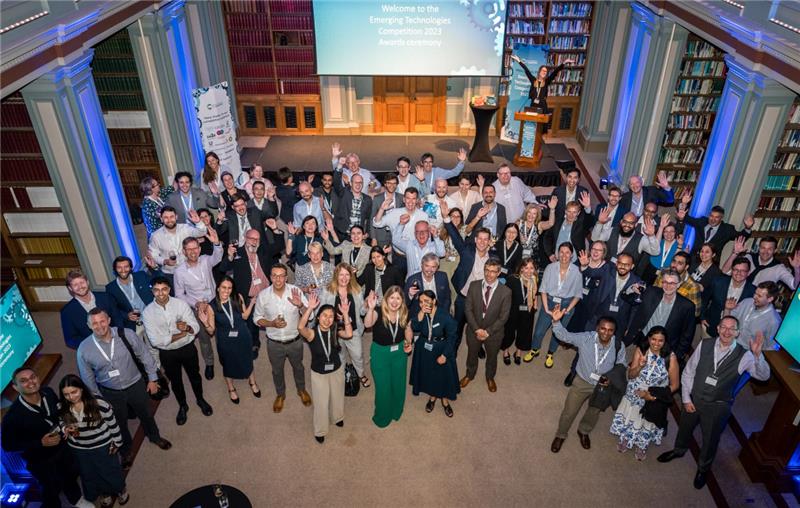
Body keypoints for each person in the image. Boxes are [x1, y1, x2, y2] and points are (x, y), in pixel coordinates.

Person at [657, 316, 771, 489]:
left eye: (731, 328)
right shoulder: (705, 344)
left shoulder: (745, 355)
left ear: (737, 333)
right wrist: (686, 398)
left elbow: (763, 376)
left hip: (718, 406)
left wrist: (758, 356)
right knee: (685, 427)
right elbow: (688, 372)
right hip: (694, 399)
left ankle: (703, 468)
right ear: (717, 329)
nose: (727, 332)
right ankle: (679, 450)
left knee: (710, 439)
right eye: (723, 327)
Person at [77, 308, 171, 470]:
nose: (99, 326)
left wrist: (152, 379)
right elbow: (88, 378)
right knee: (118, 423)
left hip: (135, 384)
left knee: (146, 413)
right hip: (110, 392)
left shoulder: (126, 334)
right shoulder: (84, 349)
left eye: (102, 321)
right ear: (89, 325)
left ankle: (154, 436)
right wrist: (98, 399)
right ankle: (126, 451)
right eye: (94, 323)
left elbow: (145, 355)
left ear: (109, 320)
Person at [1, 367, 89, 508]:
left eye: (32, 377)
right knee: (50, 490)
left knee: (70, 476)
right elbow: (8, 445)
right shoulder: (12, 417)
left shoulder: (48, 392)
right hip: (41, 461)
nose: (31, 382)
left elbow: (59, 414)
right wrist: (39, 443)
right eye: (23, 381)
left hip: (62, 448)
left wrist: (65, 425)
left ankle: (77, 499)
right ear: (15, 387)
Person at [549, 309, 626, 453]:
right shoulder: (586, 338)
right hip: (582, 382)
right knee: (569, 411)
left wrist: (611, 379)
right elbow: (565, 336)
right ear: (597, 328)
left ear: (614, 332)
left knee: (593, 412)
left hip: (602, 385)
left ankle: (584, 431)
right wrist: (556, 321)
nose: (606, 333)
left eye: (610, 330)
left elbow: (621, 365)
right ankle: (560, 434)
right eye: (603, 328)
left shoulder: (618, 345)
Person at [142, 277, 213, 425]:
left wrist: (187, 328)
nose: (160, 293)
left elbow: (196, 328)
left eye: (164, 289)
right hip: (167, 354)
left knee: (195, 376)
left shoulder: (181, 304)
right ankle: (183, 405)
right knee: (176, 381)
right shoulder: (147, 312)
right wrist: (181, 334)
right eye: (156, 290)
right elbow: (155, 341)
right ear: (152, 291)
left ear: (169, 289)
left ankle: (200, 399)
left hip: (187, 349)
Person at [58, 375, 129, 507]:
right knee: (90, 473)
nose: (71, 397)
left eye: (74, 392)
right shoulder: (62, 405)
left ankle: (120, 489)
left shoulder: (99, 404)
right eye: (66, 394)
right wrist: (64, 428)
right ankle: (104, 493)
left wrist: (117, 443)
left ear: (81, 389)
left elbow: (113, 425)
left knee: (110, 470)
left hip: (102, 445)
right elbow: (60, 421)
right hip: (79, 448)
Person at [610, 327, 679, 461]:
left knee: (647, 421)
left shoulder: (670, 357)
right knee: (632, 415)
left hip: (654, 396)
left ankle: (641, 446)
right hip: (635, 392)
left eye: (660, 340)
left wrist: (653, 396)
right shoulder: (641, 350)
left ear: (665, 341)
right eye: (653, 339)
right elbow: (631, 375)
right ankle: (626, 438)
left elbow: (675, 385)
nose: (656, 343)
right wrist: (640, 366)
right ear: (648, 338)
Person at [253, 264, 312, 413]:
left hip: (295, 341)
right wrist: (271, 323)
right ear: (270, 277)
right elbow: (256, 318)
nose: (278, 279)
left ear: (286, 277)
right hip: (274, 343)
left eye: (281, 276)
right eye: (274, 275)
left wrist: (300, 305)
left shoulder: (296, 291)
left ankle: (301, 390)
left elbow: (310, 315)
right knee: (277, 371)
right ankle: (280, 394)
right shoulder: (263, 295)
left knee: (298, 367)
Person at [197, 276, 260, 404]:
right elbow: (211, 331)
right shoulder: (211, 306)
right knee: (228, 363)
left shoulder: (238, 297)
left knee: (247, 358)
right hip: (225, 340)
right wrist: (205, 323)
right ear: (218, 288)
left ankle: (252, 382)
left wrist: (252, 303)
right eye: (224, 287)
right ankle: (231, 388)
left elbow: (244, 316)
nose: (226, 291)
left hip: (243, 335)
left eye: (229, 288)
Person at [298, 294, 350, 443]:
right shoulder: (312, 333)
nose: (327, 319)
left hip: (336, 370)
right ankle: (320, 430)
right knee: (321, 402)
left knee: (337, 396)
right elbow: (300, 327)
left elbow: (349, 334)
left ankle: (337, 417)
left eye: (331, 316)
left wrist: (345, 314)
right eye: (324, 316)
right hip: (319, 373)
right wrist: (309, 308)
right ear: (318, 317)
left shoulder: (335, 330)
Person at [173, 234, 223, 380]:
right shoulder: (179, 272)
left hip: (214, 302)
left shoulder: (206, 260)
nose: (193, 252)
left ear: (199, 249)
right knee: (204, 337)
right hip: (197, 308)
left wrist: (216, 243)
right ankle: (209, 362)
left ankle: (225, 357)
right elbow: (179, 294)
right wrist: (196, 303)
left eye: (195, 248)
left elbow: (218, 257)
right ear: (184, 252)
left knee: (221, 332)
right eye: (189, 249)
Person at [528, 243, 583, 367]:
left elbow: (578, 294)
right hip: (549, 302)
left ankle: (550, 353)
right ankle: (535, 349)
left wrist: (567, 310)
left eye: (567, 252)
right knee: (539, 331)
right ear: (557, 254)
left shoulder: (577, 271)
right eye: (561, 252)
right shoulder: (550, 267)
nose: (564, 255)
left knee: (558, 333)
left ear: (572, 255)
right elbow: (543, 289)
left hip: (566, 305)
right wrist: (546, 308)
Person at [461, 259, 512, 392]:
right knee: (472, 354)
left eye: (493, 271)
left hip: (494, 333)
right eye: (487, 270)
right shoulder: (474, 285)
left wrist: (487, 332)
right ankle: (469, 374)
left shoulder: (506, 292)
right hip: (474, 329)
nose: (489, 274)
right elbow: (468, 309)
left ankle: (490, 377)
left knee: (492, 357)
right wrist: (477, 329)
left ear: (499, 273)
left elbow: (503, 317)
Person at [219, 229, 271, 357]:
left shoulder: (263, 250)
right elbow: (223, 268)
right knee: (251, 323)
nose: (254, 242)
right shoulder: (238, 253)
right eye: (251, 238)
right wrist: (229, 256)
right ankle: (254, 344)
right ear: (245, 238)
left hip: (265, 294)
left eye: (257, 239)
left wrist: (276, 230)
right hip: (249, 297)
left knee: (269, 318)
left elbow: (278, 247)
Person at [407, 290, 460, 417]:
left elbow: (452, 337)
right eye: (421, 302)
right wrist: (421, 313)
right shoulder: (421, 313)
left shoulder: (444, 316)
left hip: (440, 348)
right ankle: (432, 397)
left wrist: (445, 355)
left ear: (434, 301)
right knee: (429, 374)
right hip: (424, 347)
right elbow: (414, 327)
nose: (423, 304)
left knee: (442, 375)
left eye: (426, 301)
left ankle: (445, 401)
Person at [624, 270, 696, 361]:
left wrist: (676, 356)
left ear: (679, 284)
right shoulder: (651, 292)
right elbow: (629, 300)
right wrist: (631, 289)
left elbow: (687, 335)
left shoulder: (687, 306)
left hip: (663, 349)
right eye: (665, 282)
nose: (668, 286)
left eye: (672, 283)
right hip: (640, 340)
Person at [363, 286, 409, 427]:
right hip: (380, 354)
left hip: (399, 352)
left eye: (398, 298)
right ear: (386, 299)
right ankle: (382, 416)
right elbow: (367, 323)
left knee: (399, 384)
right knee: (383, 387)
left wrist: (408, 341)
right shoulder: (378, 311)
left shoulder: (404, 312)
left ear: (402, 301)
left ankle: (396, 411)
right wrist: (370, 309)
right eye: (392, 297)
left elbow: (408, 329)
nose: (394, 302)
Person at [445, 224, 494, 354]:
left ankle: (478, 347)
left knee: (478, 325)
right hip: (463, 297)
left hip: (480, 300)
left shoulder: (493, 258)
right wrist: (447, 220)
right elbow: (456, 238)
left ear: (489, 242)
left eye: (485, 239)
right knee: (457, 326)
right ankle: (453, 349)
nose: (482, 242)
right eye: (480, 238)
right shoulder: (467, 251)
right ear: (475, 240)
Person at [319, 263, 370, 388]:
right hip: (334, 331)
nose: (344, 278)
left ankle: (361, 374)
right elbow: (321, 310)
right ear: (336, 275)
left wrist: (366, 305)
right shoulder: (327, 290)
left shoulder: (357, 290)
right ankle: (341, 376)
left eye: (347, 275)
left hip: (353, 329)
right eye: (341, 274)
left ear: (351, 276)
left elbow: (362, 312)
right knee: (339, 355)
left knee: (357, 355)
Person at [675, 191, 753, 257]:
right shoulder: (702, 222)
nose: (713, 219)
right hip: (694, 259)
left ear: (721, 218)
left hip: (712, 264)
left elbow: (741, 238)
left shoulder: (726, 229)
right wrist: (683, 204)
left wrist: (748, 228)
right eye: (711, 216)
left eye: (716, 217)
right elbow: (686, 218)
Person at [372, 187, 428, 275]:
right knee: (398, 282)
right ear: (404, 199)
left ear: (417, 200)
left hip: (416, 256)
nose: (410, 202)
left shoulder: (423, 216)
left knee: (414, 281)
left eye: (413, 199)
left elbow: (427, 238)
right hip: (398, 256)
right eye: (408, 198)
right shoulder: (395, 213)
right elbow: (377, 223)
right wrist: (382, 209)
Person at [61, 270, 120, 349]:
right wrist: (92, 344)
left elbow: (118, 319)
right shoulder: (67, 312)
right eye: (75, 285)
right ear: (70, 288)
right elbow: (70, 340)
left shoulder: (106, 297)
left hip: (115, 340)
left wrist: (116, 337)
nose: (80, 287)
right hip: (92, 347)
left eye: (82, 282)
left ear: (87, 282)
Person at [699, 256, 755, 337]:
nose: (738, 273)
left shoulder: (753, 291)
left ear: (748, 272)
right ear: (731, 270)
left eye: (743, 271)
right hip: (711, 327)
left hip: (735, 335)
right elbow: (704, 299)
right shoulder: (718, 282)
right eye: (736, 270)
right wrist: (702, 317)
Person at [147, 205, 208, 276]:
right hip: (170, 273)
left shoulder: (185, 228)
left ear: (176, 217)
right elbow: (153, 255)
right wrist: (165, 261)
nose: (169, 220)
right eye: (166, 217)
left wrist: (198, 222)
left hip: (189, 270)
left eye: (172, 217)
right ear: (161, 219)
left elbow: (202, 232)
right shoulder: (155, 236)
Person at [723, 236, 800, 291]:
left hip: (757, 303)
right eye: (763, 248)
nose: (765, 252)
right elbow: (725, 271)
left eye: (770, 249)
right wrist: (735, 253)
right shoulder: (749, 258)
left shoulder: (779, 268)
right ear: (759, 248)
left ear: (775, 251)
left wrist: (797, 269)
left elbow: (794, 286)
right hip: (736, 294)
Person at [502, 257, 538, 365]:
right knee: (508, 330)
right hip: (512, 310)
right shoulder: (512, 279)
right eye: (526, 268)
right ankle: (505, 351)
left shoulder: (535, 280)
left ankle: (518, 351)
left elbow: (535, 294)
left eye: (531, 268)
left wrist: (535, 303)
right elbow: (504, 296)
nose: (529, 271)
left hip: (528, 310)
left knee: (524, 331)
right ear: (521, 268)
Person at [591, 211, 659, 267]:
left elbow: (655, 252)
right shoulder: (612, 230)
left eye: (631, 223)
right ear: (621, 222)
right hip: (605, 270)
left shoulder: (641, 239)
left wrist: (651, 236)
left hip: (624, 275)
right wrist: (600, 223)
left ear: (635, 225)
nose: (627, 225)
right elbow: (594, 239)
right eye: (625, 222)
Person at [728, 281, 782, 350]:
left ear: (770, 299)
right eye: (755, 293)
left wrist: (755, 354)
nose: (754, 297)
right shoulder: (747, 302)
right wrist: (727, 309)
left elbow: (772, 347)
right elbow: (728, 319)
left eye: (759, 296)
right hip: (729, 340)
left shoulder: (774, 321)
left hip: (746, 351)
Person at [544, 198, 596, 263]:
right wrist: (550, 254)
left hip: (575, 261)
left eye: (574, 212)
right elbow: (547, 237)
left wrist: (587, 208)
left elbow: (590, 221)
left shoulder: (581, 224)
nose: (571, 215)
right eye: (569, 211)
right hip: (557, 259)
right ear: (565, 211)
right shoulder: (558, 222)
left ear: (578, 213)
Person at [654, 250, 703, 315]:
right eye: (674, 261)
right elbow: (654, 291)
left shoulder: (692, 286)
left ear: (686, 267)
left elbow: (696, 312)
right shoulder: (663, 272)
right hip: (656, 309)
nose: (675, 265)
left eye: (680, 263)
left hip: (674, 316)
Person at [517, 199, 556, 271]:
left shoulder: (539, 225)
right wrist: (519, 235)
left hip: (533, 260)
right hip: (519, 259)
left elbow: (550, 223)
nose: (531, 216)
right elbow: (509, 233)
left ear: (537, 215)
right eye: (529, 212)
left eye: (534, 213)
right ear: (526, 213)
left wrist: (552, 209)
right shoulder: (519, 223)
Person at [332, 172, 373, 240]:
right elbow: (337, 183)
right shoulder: (344, 193)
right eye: (356, 182)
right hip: (342, 235)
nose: (358, 185)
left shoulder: (367, 199)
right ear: (351, 183)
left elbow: (369, 218)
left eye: (360, 182)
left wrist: (368, 232)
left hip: (358, 237)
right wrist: (339, 167)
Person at [640, 216, 680, 284]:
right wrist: (661, 227)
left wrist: (680, 246)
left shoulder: (679, 244)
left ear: (675, 232)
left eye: (671, 231)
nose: (669, 234)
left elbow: (679, 261)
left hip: (667, 273)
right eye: (666, 231)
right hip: (651, 269)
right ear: (663, 233)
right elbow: (655, 245)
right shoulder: (659, 241)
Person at [370, 173, 403, 247]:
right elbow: (372, 218)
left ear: (397, 185)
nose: (392, 185)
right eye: (389, 183)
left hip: (396, 235)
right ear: (385, 184)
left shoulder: (401, 198)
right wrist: (373, 238)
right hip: (380, 235)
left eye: (394, 183)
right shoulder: (377, 198)